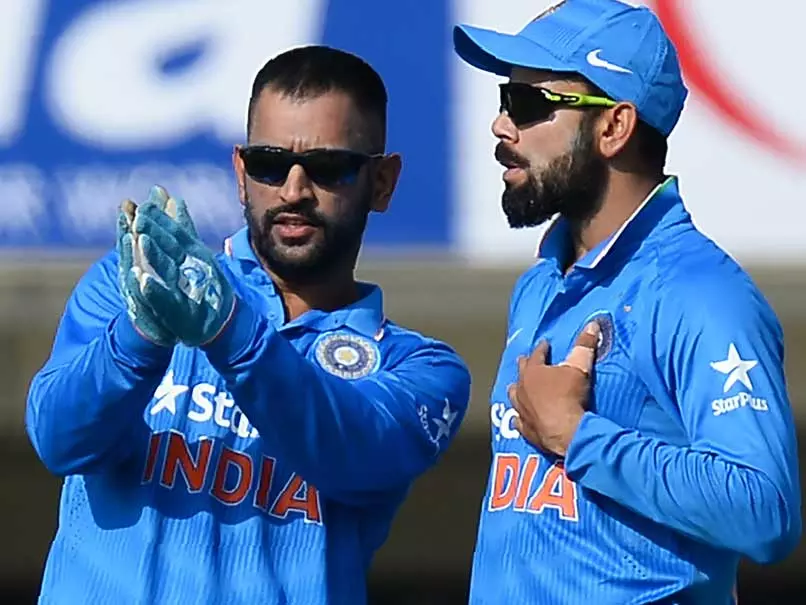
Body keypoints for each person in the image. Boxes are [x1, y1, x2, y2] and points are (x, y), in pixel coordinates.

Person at [26, 45, 470, 604]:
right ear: (240, 173)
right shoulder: (135, 281)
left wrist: (231, 333)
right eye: (269, 163)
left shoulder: (421, 368)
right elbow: (58, 440)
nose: (293, 191)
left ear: (382, 181)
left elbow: (353, 452)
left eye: (328, 168)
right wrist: (139, 340)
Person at [452, 0, 801, 603]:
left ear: (614, 128)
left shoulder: (701, 294)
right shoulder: (541, 281)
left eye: (527, 104)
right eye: (504, 100)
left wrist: (577, 435)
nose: (501, 126)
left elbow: (764, 509)